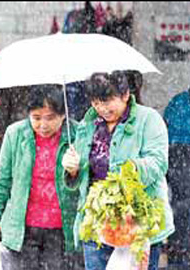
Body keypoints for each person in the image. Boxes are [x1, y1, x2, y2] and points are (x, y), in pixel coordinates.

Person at [61, 71, 175, 270]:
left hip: (137, 224)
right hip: (98, 223)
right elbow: (82, 177)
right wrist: (72, 170)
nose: (101, 108)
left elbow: (157, 163)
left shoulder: (148, 120)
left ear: (125, 95)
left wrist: (125, 176)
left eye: (107, 101)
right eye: (96, 103)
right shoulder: (88, 124)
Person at [0, 85, 79, 270]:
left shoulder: (76, 134)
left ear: (63, 115)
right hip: (23, 227)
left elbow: (85, 183)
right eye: (36, 118)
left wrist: (75, 172)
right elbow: (2, 180)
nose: (43, 125)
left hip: (60, 228)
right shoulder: (15, 134)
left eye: (50, 118)